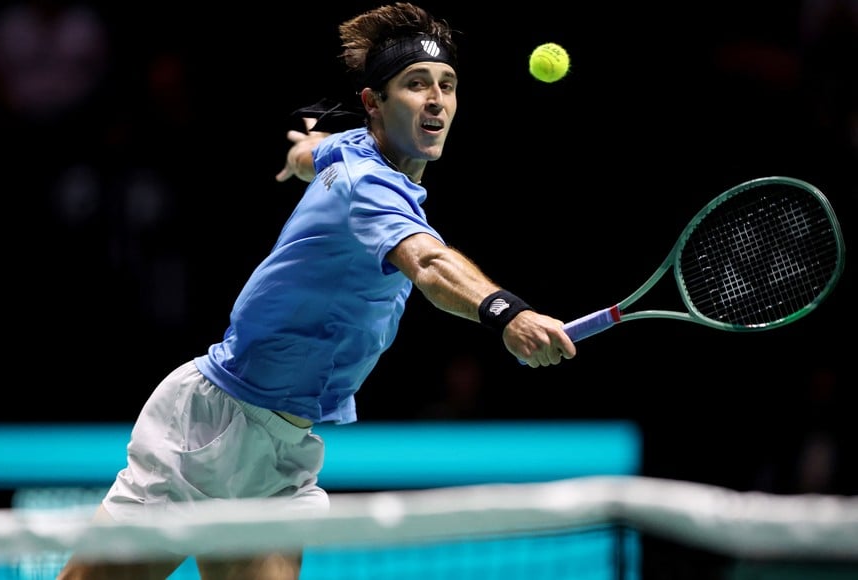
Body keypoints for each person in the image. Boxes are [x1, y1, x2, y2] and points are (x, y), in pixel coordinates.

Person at [57, 3, 576, 579]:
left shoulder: (353, 147)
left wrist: (299, 153)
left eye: (447, 86)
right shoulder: (370, 187)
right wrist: (508, 314)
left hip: (281, 449)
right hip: (209, 428)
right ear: (374, 103)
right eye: (416, 85)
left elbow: (314, 151)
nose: (436, 101)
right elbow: (428, 263)